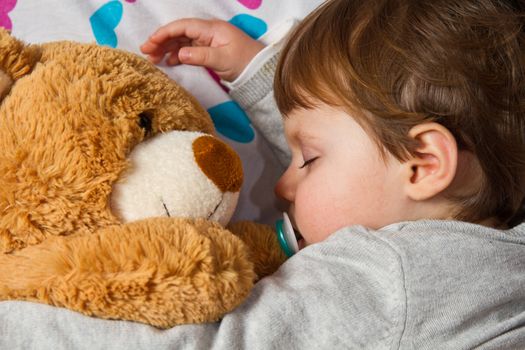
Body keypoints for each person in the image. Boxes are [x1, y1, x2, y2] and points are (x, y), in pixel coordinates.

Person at [9, 0, 520, 348]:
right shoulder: (491, 254)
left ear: (426, 164)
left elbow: (210, 342)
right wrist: (263, 75)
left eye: (308, 159)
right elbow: (360, 152)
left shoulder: (390, 279)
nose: (282, 185)